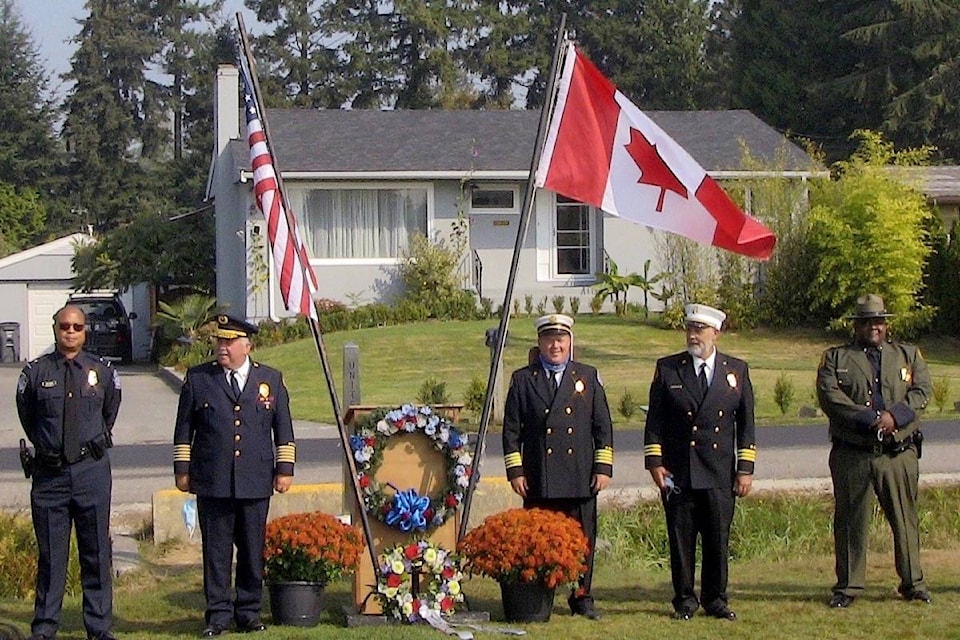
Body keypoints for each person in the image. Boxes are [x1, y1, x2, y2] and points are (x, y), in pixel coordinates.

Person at [173, 315, 295, 637]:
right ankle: (218, 615)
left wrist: (284, 470)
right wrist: (182, 471)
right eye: (219, 341)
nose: (222, 347)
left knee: (252, 551)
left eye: (229, 342)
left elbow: (283, 429)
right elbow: (184, 429)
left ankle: (249, 612)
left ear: (247, 346)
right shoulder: (199, 379)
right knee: (216, 552)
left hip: (255, 480)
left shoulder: (270, 379)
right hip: (212, 480)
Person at [817, 294, 931, 608]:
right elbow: (830, 397)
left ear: (886, 323)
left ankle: (913, 583)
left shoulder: (907, 355)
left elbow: (922, 390)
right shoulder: (836, 358)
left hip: (898, 453)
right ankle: (849, 586)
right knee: (851, 521)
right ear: (856, 326)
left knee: (905, 520)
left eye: (878, 321)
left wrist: (895, 417)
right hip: (854, 453)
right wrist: (870, 419)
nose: (873, 327)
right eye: (866, 322)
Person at [15, 305, 122, 640]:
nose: (71, 332)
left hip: (91, 471)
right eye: (65, 326)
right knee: (51, 556)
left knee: (96, 554)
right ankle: (45, 627)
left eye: (77, 327)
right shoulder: (35, 372)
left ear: (85, 330)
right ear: (55, 328)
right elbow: (29, 417)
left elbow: (109, 412)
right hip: (50, 476)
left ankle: (99, 627)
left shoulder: (101, 370)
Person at [644, 303, 755, 621]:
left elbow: (747, 425)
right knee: (681, 539)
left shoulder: (736, 371)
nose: (694, 336)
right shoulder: (668, 369)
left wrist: (745, 469)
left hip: (719, 470)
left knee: (718, 538)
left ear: (715, 333)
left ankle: (716, 599)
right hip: (679, 471)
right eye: (690, 329)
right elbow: (655, 421)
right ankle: (684, 600)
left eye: (700, 330)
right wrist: (655, 462)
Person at [502, 314, 614, 620]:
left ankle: (581, 597)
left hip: (579, 476)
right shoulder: (524, 380)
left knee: (583, 539)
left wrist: (602, 468)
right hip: (540, 476)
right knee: (541, 538)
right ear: (540, 344)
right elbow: (511, 431)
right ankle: (541, 596)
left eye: (561, 339)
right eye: (550, 340)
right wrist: (516, 471)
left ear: (570, 342)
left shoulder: (588, 377)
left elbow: (602, 427)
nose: (556, 345)